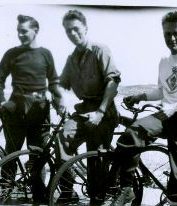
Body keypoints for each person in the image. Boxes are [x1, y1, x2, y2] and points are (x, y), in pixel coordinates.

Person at [111, 11, 177, 206]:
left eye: (176, 33)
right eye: (167, 34)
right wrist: (141, 96)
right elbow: (162, 90)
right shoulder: (164, 61)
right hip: (165, 117)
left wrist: (175, 107)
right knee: (131, 135)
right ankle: (126, 189)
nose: (171, 38)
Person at [0, 14, 63, 204]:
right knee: (10, 155)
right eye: (18, 31)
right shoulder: (11, 53)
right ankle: (5, 195)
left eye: (24, 31)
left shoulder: (45, 53)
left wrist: (59, 101)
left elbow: (54, 81)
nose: (20, 35)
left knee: (38, 156)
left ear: (35, 30)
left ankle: (38, 198)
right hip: (15, 111)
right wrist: (2, 102)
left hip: (40, 112)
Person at [55, 9, 121, 205]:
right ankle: (68, 192)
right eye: (68, 31)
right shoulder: (72, 58)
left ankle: (97, 199)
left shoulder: (100, 50)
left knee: (97, 160)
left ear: (85, 28)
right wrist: (59, 99)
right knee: (62, 140)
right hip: (83, 110)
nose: (73, 34)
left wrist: (100, 112)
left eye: (76, 29)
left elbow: (113, 82)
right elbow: (61, 84)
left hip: (104, 110)